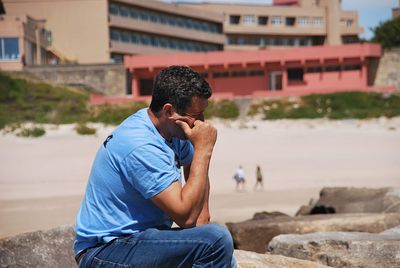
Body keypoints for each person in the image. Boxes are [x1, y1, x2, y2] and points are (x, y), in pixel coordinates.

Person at [74, 66, 236, 267]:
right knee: (217, 240)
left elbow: (195, 176)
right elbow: (185, 216)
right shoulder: (140, 144)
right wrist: (204, 151)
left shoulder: (173, 129)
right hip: (105, 250)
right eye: (197, 114)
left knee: (218, 248)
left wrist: (201, 229)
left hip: (143, 239)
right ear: (169, 110)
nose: (202, 122)